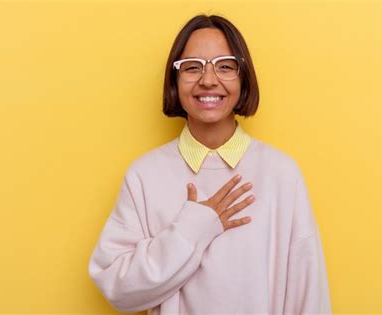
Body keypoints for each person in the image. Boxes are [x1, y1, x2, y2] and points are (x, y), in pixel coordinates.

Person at [88, 14, 332, 314]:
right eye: (192, 67)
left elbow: (308, 294)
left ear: (243, 79)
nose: (208, 79)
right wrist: (193, 228)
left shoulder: (281, 174)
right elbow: (117, 287)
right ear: (175, 81)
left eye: (225, 66)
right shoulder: (145, 175)